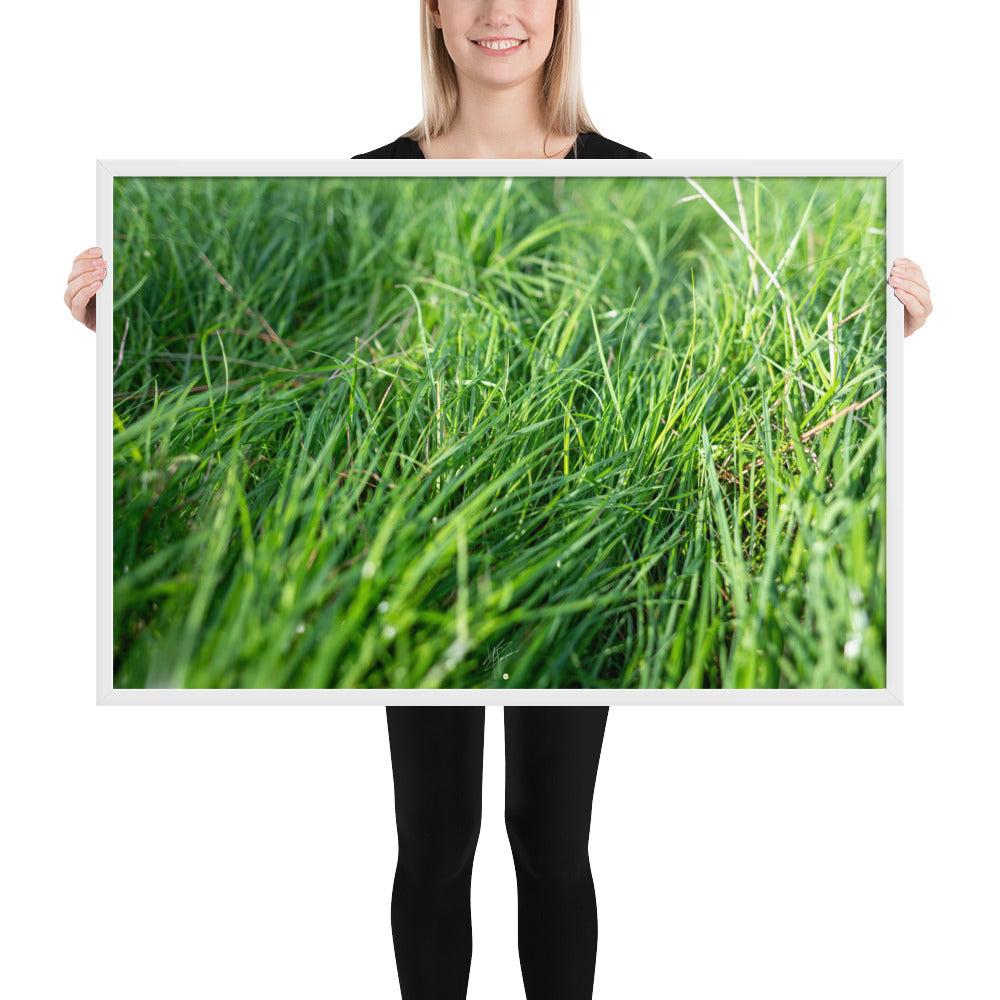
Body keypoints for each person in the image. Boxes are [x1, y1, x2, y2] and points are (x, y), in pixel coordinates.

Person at [64, 2, 934, 998]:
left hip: (582, 537)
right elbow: (309, 366)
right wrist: (118, 327)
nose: (496, 12)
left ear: (562, 16)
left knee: (552, 841)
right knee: (435, 843)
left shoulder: (627, 172)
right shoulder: (368, 181)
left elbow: (716, 367)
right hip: (414, 540)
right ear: (430, 14)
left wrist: (875, 347)